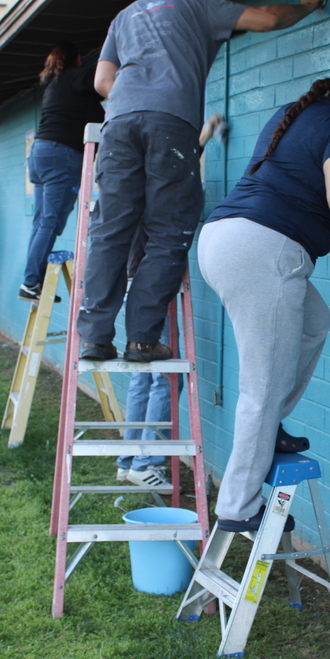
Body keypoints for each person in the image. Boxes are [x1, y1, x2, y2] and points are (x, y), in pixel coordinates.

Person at [196, 61, 330, 532]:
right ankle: (238, 505)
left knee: (314, 321)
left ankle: (268, 432)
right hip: (262, 249)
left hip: (225, 239)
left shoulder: (301, 111)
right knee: (261, 387)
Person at [78, 0, 325, 363]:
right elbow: (269, 17)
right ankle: (142, 340)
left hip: (118, 123)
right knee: (167, 230)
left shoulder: (125, 15)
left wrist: (136, 93)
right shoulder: (197, 6)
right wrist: (307, 6)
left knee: (111, 229)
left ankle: (95, 338)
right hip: (169, 123)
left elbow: (102, 82)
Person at [116, 114, 223, 491]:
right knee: (166, 376)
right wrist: (202, 139)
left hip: (135, 282)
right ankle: (145, 461)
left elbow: (173, 168)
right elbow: (174, 173)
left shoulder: (129, 184)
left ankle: (130, 459)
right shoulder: (154, 189)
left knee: (144, 376)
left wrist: (204, 137)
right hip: (153, 285)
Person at [19, 40, 105, 302]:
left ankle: (35, 279)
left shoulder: (55, 84)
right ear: (77, 59)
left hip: (41, 152)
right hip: (61, 156)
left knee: (41, 222)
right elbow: (105, 80)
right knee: (50, 222)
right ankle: (31, 281)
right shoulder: (77, 76)